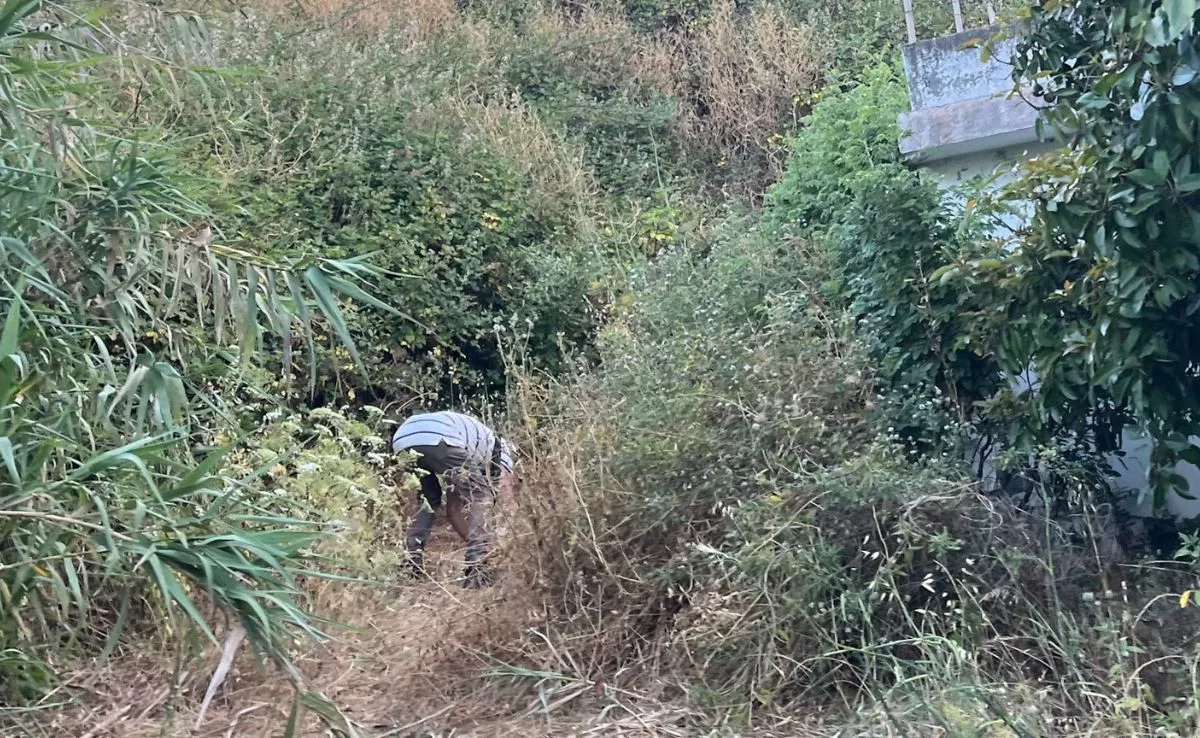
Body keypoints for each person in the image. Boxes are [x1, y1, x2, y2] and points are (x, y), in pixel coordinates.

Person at [391, 410, 516, 588]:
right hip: (441, 439)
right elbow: (508, 500)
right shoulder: (502, 453)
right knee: (481, 494)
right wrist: (499, 546)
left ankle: (411, 564)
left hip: (403, 439)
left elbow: (453, 511)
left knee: (428, 500)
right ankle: (478, 569)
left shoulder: (469, 451)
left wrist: (486, 547)